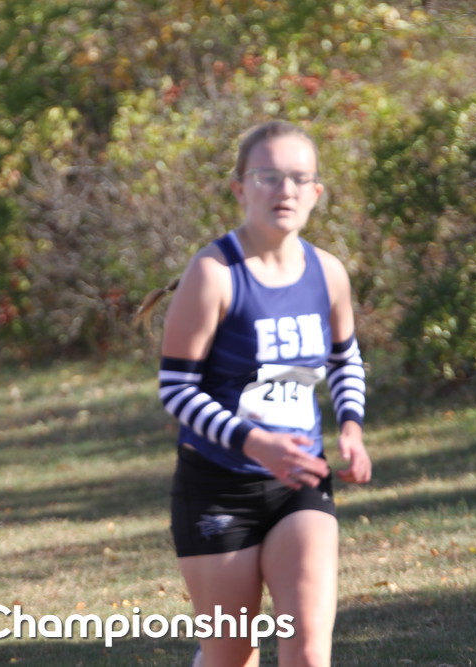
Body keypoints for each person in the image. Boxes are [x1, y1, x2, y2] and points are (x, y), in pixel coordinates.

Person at [141, 120, 371, 666]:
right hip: (218, 486)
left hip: (300, 482)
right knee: (232, 653)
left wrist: (352, 427)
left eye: (298, 178)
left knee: (308, 647)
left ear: (316, 192)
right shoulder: (214, 273)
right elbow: (176, 389)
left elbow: (345, 359)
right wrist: (253, 442)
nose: (284, 190)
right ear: (240, 188)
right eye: (267, 177)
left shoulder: (328, 273)